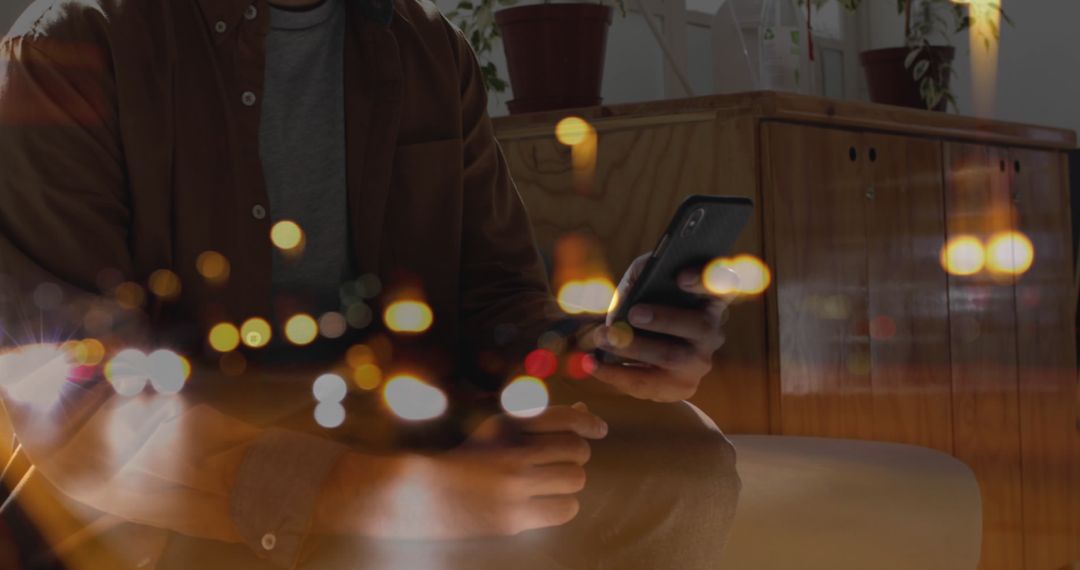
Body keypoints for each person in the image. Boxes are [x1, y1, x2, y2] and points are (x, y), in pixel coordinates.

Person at [0, 0, 740, 568]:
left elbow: (499, 305)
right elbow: (76, 417)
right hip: (175, 466)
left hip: (388, 414)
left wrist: (604, 346)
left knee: (680, 463)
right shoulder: (69, 49)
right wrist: (391, 495)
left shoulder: (426, 51)